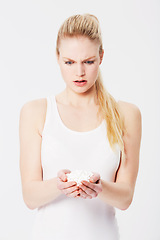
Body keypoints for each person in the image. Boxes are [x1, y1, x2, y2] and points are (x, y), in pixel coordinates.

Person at [19, 13, 142, 240]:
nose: (79, 73)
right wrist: (59, 186)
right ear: (57, 57)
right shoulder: (35, 112)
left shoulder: (126, 114)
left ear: (101, 57)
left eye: (88, 61)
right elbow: (29, 196)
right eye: (69, 62)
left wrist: (100, 188)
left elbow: (125, 198)